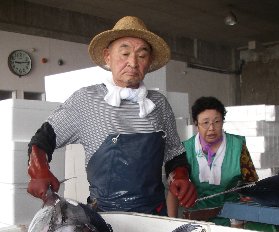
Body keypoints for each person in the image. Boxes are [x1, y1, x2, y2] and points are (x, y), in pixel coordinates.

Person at [27, 16, 197, 215]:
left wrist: (180, 177)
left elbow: (174, 154)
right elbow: (43, 139)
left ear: (149, 62)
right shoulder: (86, 100)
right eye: (124, 53)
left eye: (142, 55)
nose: (133, 62)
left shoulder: (159, 104)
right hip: (105, 219)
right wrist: (39, 169)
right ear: (108, 56)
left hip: (155, 214)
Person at [167, 96, 258, 226]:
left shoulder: (237, 146)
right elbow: (174, 191)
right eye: (205, 123)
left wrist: (249, 196)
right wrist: (172, 223)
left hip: (232, 222)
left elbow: (251, 183)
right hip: (195, 221)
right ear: (196, 124)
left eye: (217, 121)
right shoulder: (184, 150)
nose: (211, 128)